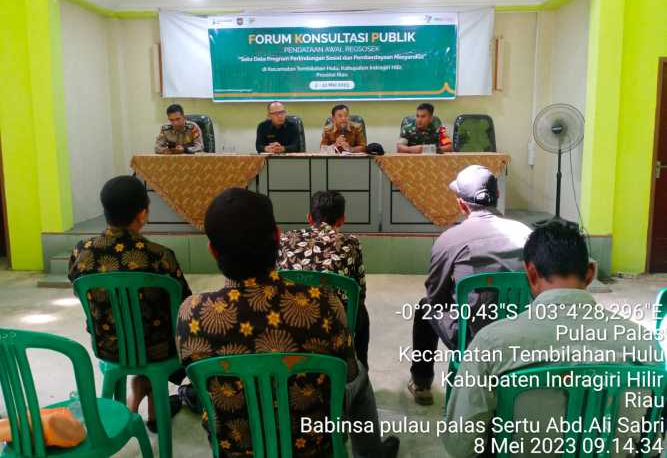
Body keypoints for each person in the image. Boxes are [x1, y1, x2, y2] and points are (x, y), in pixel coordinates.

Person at [176, 188, 399, 458]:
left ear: (212, 249)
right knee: (360, 376)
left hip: (237, 449)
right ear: (277, 236)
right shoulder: (325, 304)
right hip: (314, 447)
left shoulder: (190, 314)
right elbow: (347, 374)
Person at [442, 222, 664, 457]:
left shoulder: (491, 343)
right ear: (590, 273)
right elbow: (651, 447)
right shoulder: (644, 343)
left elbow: (460, 445)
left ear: (531, 273)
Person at [68, 175, 192, 431]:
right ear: (143, 213)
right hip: (157, 350)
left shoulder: (82, 251)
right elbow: (184, 303)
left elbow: (79, 293)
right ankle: (154, 400)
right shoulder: (160, 256)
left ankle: (139, 395)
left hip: (109, 346)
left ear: (105, 211)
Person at [408, 165, 532, 405]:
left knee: (425, 308)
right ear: (497, 198)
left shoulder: (450, 239)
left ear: (462, 205)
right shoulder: (526, 233)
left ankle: (421, 383)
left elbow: (435, 295)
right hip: (521, 333)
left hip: (471, 338)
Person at [279, 191, 371, 370]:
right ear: (342, 219)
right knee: (361, 312)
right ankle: (360, 368)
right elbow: (359, 291)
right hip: (335, 325)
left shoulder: (285, 239)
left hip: (288, 320)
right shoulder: (351, 243)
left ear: (309, 218)